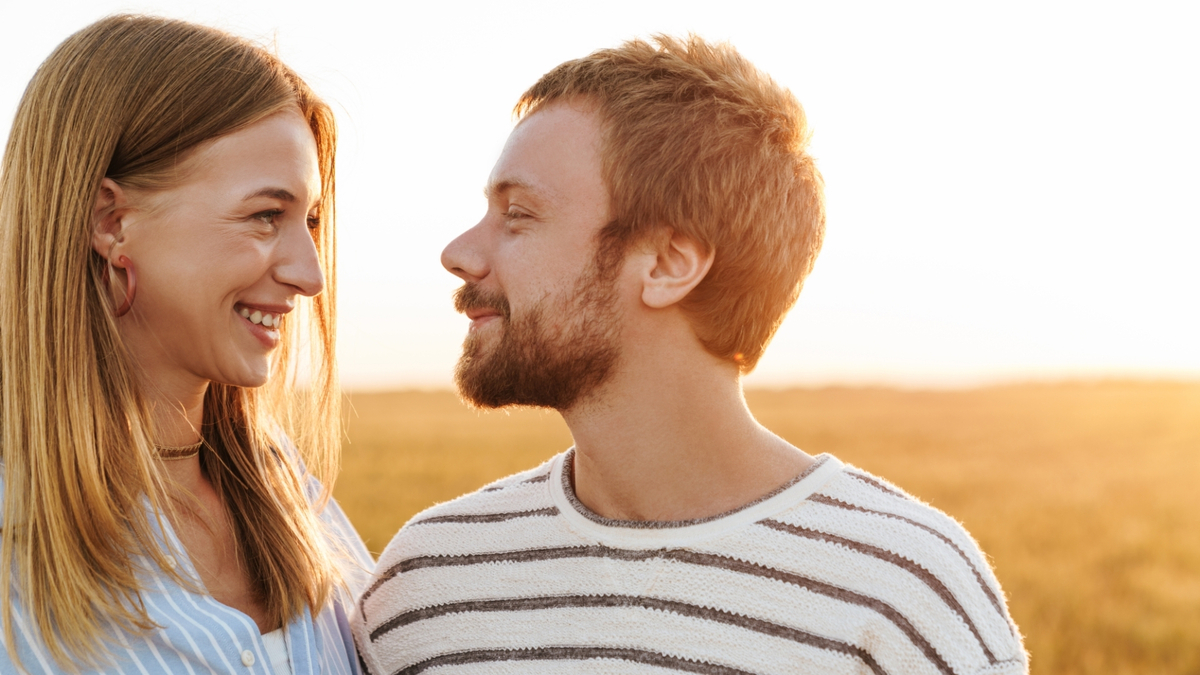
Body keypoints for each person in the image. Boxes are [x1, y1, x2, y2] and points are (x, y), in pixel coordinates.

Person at [354, 34, 1027, 675]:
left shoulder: (906, 597)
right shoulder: (427, 587)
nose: (460, 253)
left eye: (519, 214)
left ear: (670, 263)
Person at [0, 15, 371, 675]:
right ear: (111, 222)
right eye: (265, 215)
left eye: (310, 220)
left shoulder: (293, 499)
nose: (310, 273)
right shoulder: (18, 541)